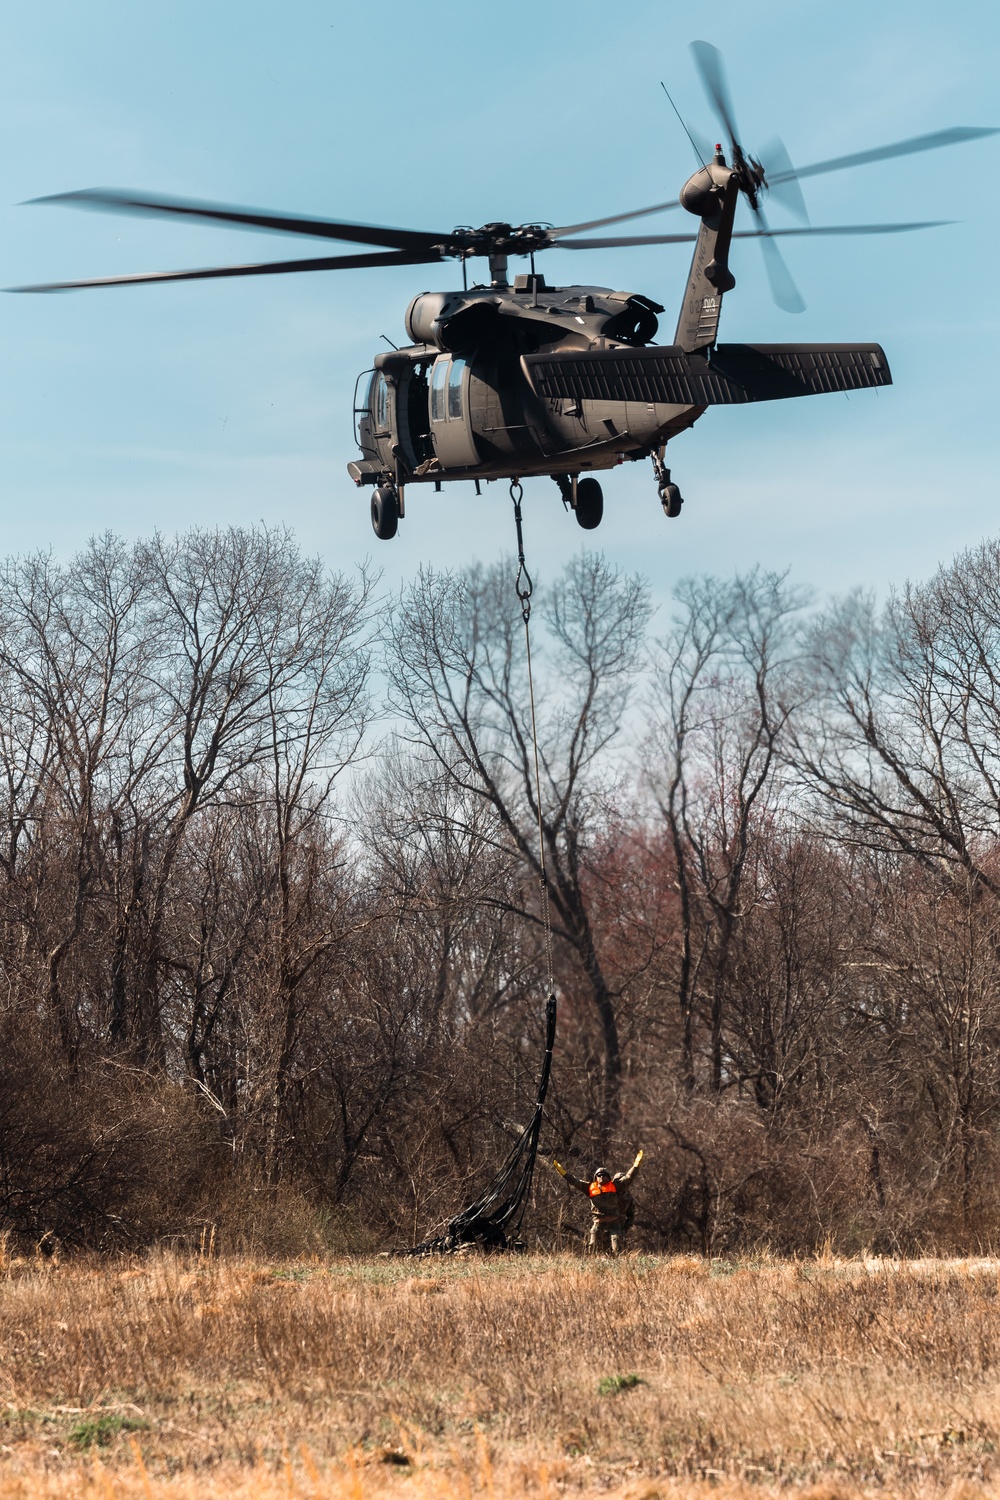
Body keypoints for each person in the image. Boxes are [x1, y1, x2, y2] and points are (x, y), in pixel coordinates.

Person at [550, 1150, 643, 1254]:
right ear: (595, 1178)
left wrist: (636, 1165)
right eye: (599, 1175)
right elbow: (574, 1181)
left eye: (604, 1175)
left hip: (614, 1223)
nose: (602, 1177)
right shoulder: (589, 1188)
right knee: (593, 1248)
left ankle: (620, 1266)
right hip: (598, 1223)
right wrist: (564, 1173)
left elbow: (629, 1177)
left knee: (617, 1247)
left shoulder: (616, 1186)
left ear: (609, 1177)